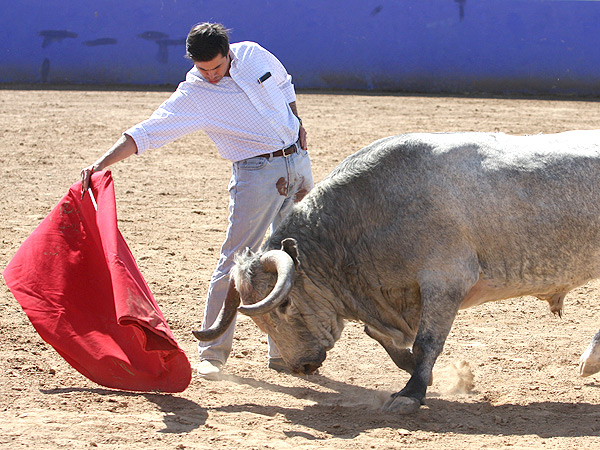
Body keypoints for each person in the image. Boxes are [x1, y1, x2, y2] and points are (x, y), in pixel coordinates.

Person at [80, 22, 314, 379]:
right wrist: (101, 163)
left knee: (291, 257)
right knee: (237, 260)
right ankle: (212, 353)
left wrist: (297, 120)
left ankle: (285, 351)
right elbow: (148, 131)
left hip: (297, 163)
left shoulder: (253, 54)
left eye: (216, 67)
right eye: (203, 69)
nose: (211, 76)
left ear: (229, 52)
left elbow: (284, 84)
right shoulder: (194, 92)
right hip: (256, 174)